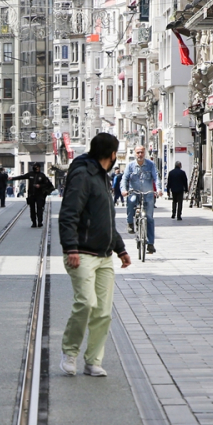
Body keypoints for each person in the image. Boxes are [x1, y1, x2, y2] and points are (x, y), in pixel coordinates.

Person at [59, 133, 131, 377]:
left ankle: (93, 361)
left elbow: (106, 218)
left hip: (104, 255)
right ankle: (69, 353)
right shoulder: (83, 174)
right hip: (81, 252)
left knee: (103, 312)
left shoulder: (103, 177)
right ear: (112, 154)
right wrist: (71, 247)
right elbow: (69, 212)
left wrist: (120, 248)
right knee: (86, 303)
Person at [121, 145, 161, 254]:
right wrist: (124, 190)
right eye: (138, 152)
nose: (140, 154)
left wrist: (159, 189)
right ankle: (130, 222)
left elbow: (156, 177)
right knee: (132, 200)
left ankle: (151, 243)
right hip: (134, 191)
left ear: (145, 153)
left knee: (149, 218)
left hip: (148, 193)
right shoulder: (130, 166)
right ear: (135, 153)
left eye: (142, 152)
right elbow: (124, 179)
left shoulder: (150, 165)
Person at [9, 163, 54, 227]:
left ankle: (40, 222)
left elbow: (47, 184)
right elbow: (22, 177)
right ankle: (34, 222)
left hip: (40, 195)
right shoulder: (30, 174)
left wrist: (40, 186)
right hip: (31, 195)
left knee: (39, 209)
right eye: (36, 167)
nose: (37, 169)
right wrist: (12, 178)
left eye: (38, 167)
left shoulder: (42, 175)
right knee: (32, 209)